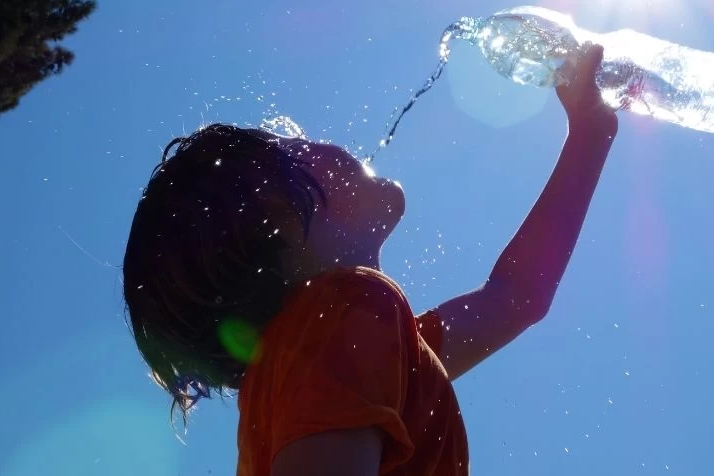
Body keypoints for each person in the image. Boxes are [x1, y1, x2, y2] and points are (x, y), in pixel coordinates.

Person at [122, 44, 618, 475]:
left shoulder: (344, 350)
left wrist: (590, 134)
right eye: (296, 148)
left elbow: (515, 298)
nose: (323, 142)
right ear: (277, 221)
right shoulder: (342, 314)